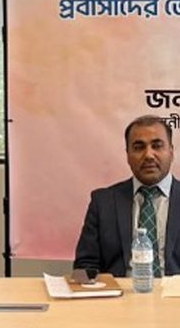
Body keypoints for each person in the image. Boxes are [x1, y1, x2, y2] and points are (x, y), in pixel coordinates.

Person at [74, 115, 180, 277]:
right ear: (128, 155)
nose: (149, 155)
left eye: (157, 146)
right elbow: (85, 267)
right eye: (139, 147)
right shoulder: (103, 203)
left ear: (171, 152)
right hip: (118, 292)